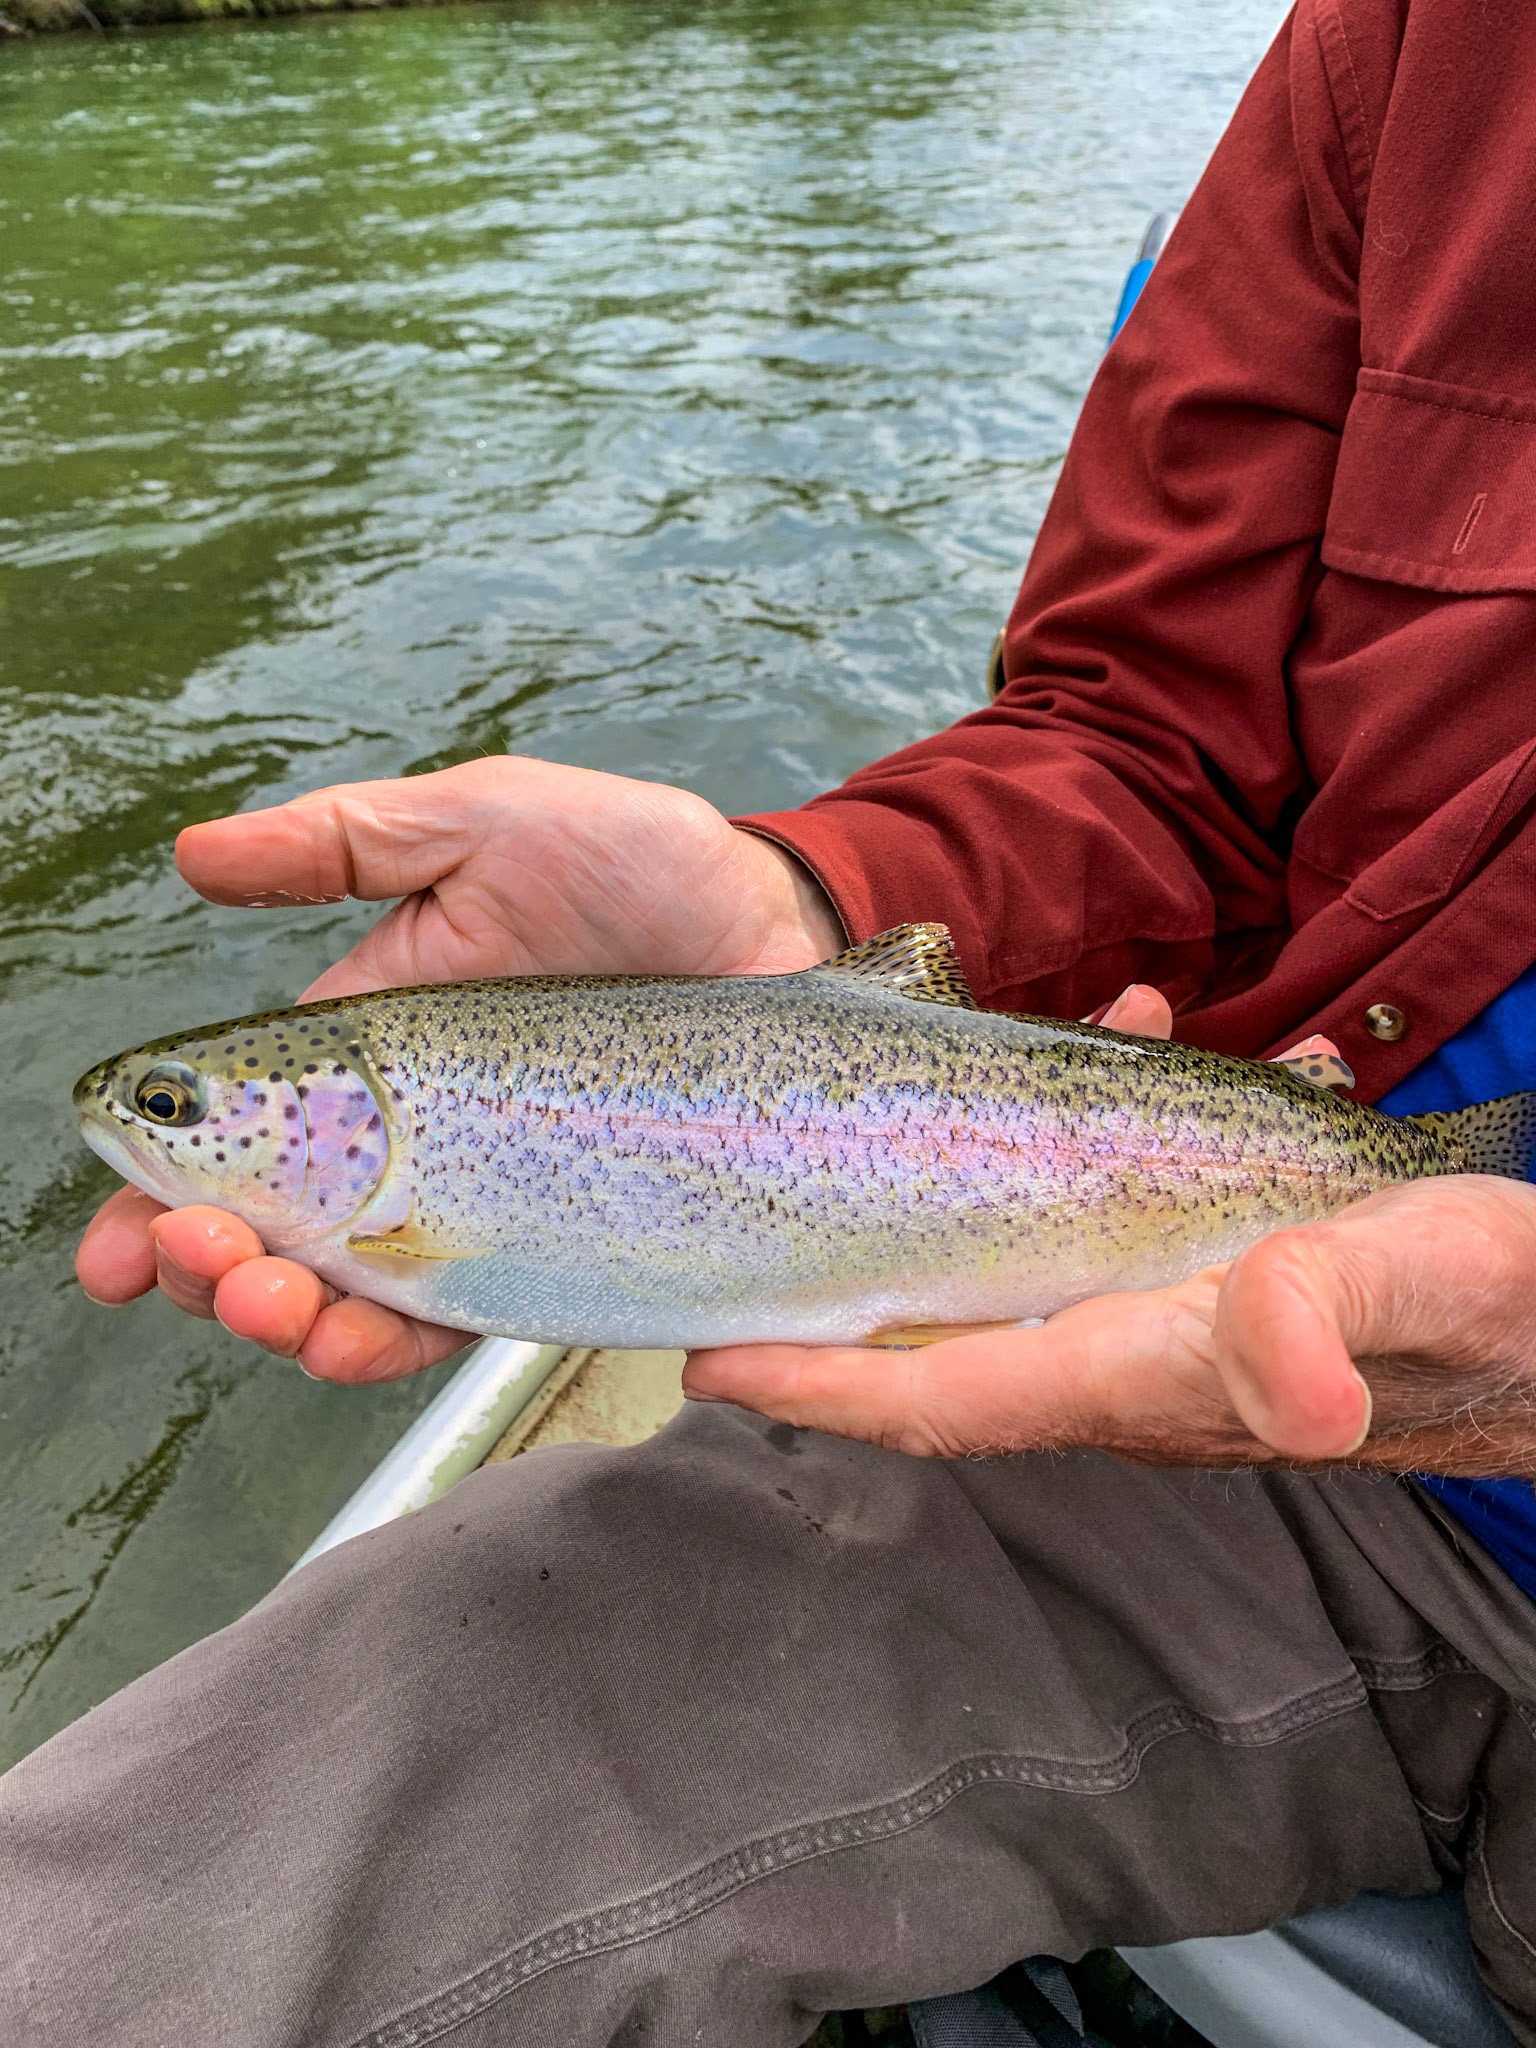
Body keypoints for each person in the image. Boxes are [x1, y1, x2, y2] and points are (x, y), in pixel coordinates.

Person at [5, 0, 1536, 2040]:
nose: (158, 1120)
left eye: (196, 1106)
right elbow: (1156, 738)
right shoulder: (1406, 51)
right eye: (189, 1104)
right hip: (1250, 1423)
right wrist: (811, 895)